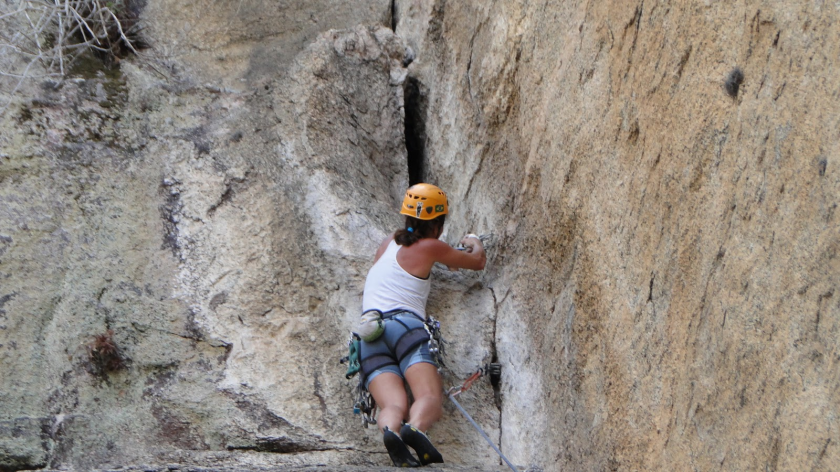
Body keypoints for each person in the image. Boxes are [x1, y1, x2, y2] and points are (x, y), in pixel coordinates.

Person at [357, 183, 486, 467]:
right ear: (438, 224)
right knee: (429, 396)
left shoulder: (390, 240)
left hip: (369, 333)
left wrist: (445, 257)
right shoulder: (430, 245)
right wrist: (473, 240)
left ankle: (391, 430)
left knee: (392, 405)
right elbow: (477, 261)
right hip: (404, 327)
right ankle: (415, 427)